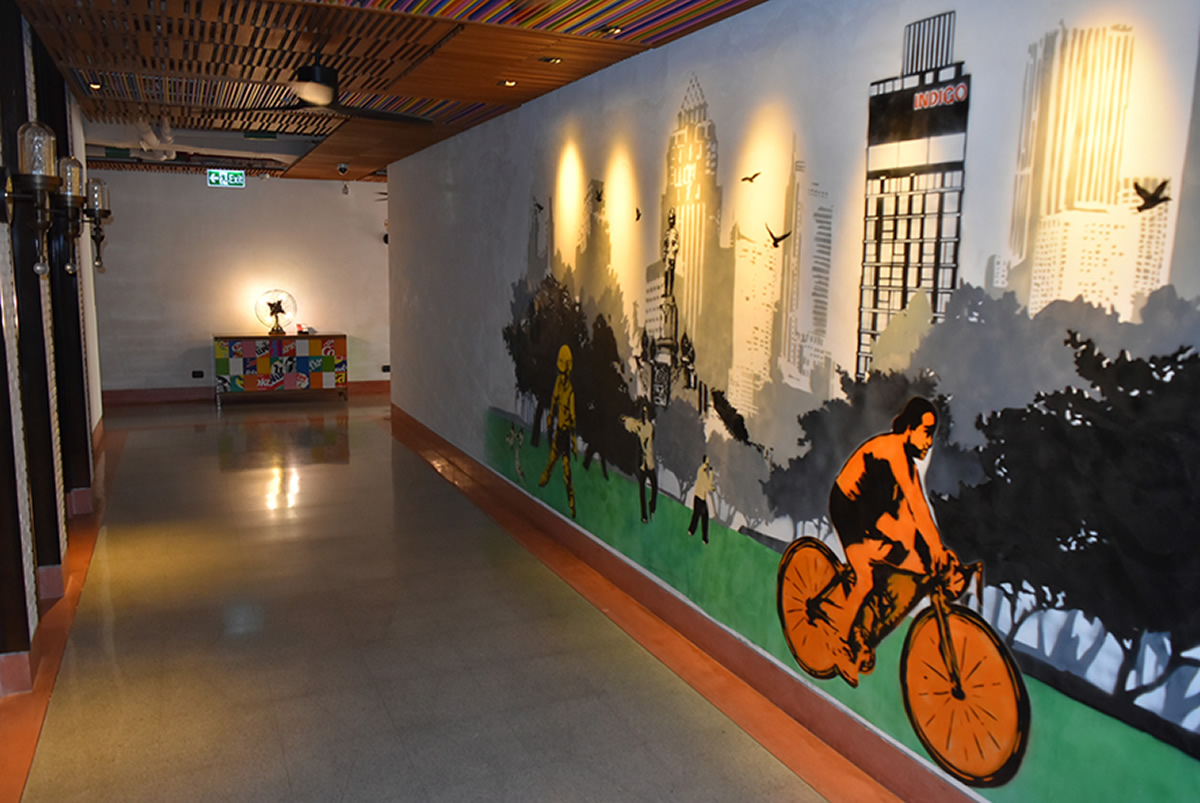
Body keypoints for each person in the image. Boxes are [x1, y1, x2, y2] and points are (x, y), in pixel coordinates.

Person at [825, 397, 957, 683]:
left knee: (914, 562)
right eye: (926, 432)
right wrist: (935, 547)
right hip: (849, 505)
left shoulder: (906, 463)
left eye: (932, 435)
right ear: (909, 428)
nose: (929, 442)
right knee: (865, 579)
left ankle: (866, 625)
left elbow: (916, 509)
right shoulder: (893, 451)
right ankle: (839, 643)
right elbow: (916, 503)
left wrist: (935, 551)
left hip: (874, 510)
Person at [538, 344, 577, 518]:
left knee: (566, 469)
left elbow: (573, 419)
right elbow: (554, 402)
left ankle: (571, 500)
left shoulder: (570, 392)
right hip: (560, 431)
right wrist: (550, 417)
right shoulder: (558, 385)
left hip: (565, 433)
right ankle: (546, 476)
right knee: (553, 459)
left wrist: (573, 440)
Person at [621, 402, 658, 523]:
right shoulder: (641, 425)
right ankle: (644, 515)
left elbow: (646, 440)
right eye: (643, 412)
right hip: (643, 463)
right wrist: (625, 419)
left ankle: (652, 506)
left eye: (646, 412)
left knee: (654, 487)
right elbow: (632, 423)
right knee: (642, 490)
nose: (644, 414)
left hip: (649, 463)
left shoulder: (649, 427)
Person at [687, 454, 716, 544]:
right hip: (698, 497)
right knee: (696, 515)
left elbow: (708, 485)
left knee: (704, 518)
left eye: (708, 463)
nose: (707, 465)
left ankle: (704, 537)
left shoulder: (704, 474)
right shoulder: (701, 471)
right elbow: (708, 486)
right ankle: (691, 530)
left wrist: (711, 474)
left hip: (702, 499)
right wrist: (711, 474)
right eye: (706, 463)